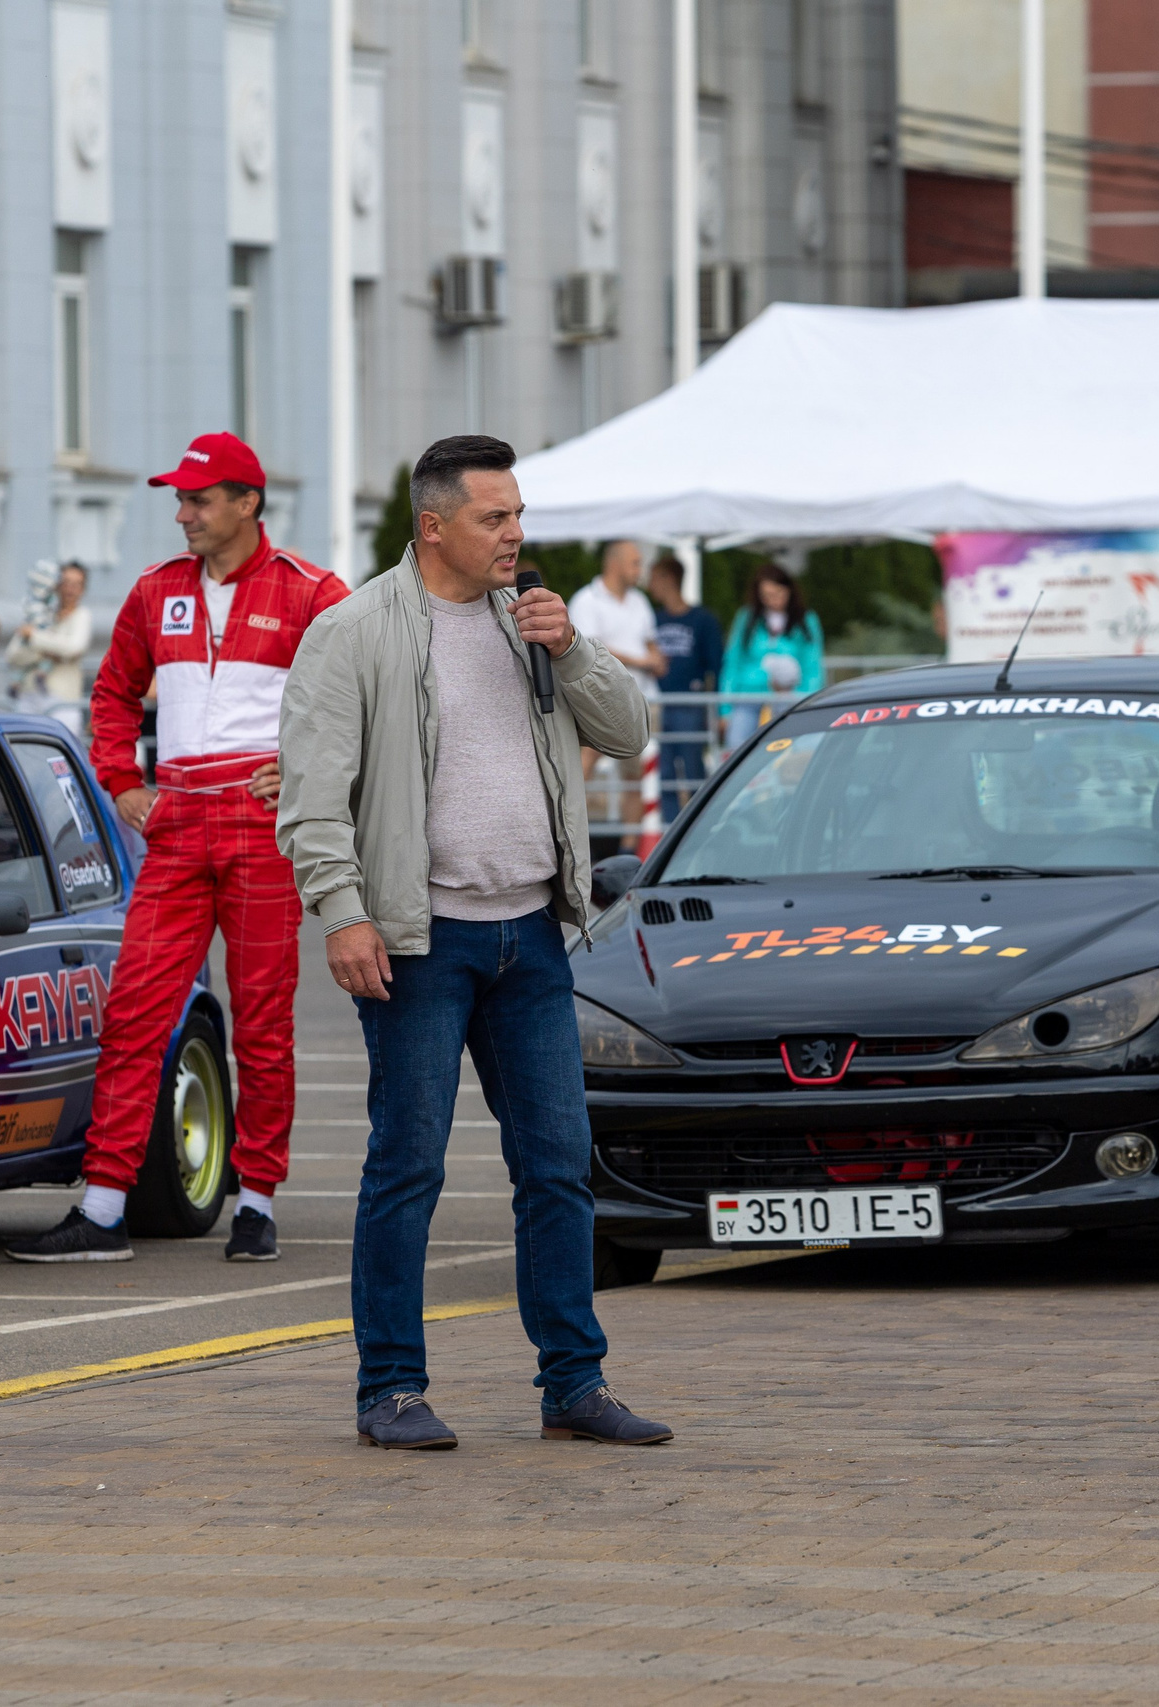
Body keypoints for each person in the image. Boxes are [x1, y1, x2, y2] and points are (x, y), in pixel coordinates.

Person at [275, 433, 668, 1451]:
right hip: (419, 941)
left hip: (531, 935)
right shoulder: (355, 631)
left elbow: (629, 734)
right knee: (407, 1165)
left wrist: (571, 646)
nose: (515, 535)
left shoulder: (526, 621)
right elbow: (313, 800)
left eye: (519, 515)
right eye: (494, 518)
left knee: (557, 1166)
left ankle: (572, 1384)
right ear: (434, 525)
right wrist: (343, 911)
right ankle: (390, 1390)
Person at [7, 433, 347, 1267]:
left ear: (247, 504)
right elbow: (113, 691)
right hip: (177, 823)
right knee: (135, 1013)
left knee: (263, 1021)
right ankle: (103, 1205)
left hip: (262, 831)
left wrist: (302, 774)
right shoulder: (158, 590)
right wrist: (123, 784)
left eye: (198, 499)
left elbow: (361, 697)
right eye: (180, 498)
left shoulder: (314, 592)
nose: (182, 512)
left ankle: (257, 1201)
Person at [566, 540, 664, 842]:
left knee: (635, 777)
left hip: (643, 698)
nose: (640, 569)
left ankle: (628, 849)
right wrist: (645, 660)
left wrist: (655, 658)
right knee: (581, 769)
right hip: (601, 700)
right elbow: (590, 651)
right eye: (635, 562)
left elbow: (649, 643)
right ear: (615, 563)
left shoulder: (640, 601)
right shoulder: (586, 601)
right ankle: (573, 841)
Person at [648, 553, 721, 818]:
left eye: (654, 578)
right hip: (659, 703)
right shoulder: (653, 619)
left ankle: (699, 824)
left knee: (692, 769)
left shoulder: (703, 621)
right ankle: (670, 828)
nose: (650, 584)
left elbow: (716, 666)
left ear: (669, 579)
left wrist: (718, 710)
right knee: (664, 771)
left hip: (691, 703)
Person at [721, 562, 823, 749]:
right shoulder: (747, 618)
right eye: (766, 596)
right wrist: (725, 708)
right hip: (749, 697)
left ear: (789, 591)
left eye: (777, 594)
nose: (772, 601)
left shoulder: (806, 620)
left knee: (790, 750)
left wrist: (807, 702)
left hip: (790, 699)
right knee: (737, 746)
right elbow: (733, 663)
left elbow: (812, 666)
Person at [9, 561, 94, 732]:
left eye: (76, 584)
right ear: (56, 584)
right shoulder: (40, 613)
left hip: (63, 700)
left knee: (61, 756)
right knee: (24, 754)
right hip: (29, 695)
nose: (70, 589)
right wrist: (53, 652)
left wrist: (34, 637)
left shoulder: (82, 615)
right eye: (66, 582)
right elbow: (12, 655)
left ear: (83, 589)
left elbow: (75, 646)